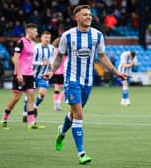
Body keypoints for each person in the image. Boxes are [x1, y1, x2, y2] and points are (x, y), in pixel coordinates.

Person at [43, 5, 128, 164]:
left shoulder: (97, 35)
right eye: (85, 15)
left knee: (74, 113)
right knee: (79, 114)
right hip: (71, 79)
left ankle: (62, 132)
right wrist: (51, 71)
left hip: (88, 81)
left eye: (90, 14)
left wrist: (116, 72)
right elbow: (59, 57)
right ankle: (82, 154)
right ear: (77, 18)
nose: (89, 17)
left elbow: (102, 57)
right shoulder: (67, 36)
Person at [0, 23, 39, 129]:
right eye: (35, 31)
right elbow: (15, 58)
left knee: (31, 97)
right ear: (29, 31)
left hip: (30, 74)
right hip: (21, 74)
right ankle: (4, 118)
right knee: (17, 97)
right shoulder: (21, 42)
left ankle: (31, 123)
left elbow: (28, 59)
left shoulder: (33, 43)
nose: (37, 33)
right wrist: (19, 74)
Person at [23, 31, 55, 122]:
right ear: (41, 38)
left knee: (42, 93)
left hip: (43, 76)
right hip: (32, 75)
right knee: (29, 96)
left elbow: (52, 60)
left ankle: (35, 106)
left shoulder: (52, 48)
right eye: (46, 37)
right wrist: (41, 63)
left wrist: (51, 69)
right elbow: (29, 61)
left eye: (49, 37)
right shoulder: (35, 48)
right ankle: (25, 114)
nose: (47, 39)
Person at [50, 37, 67, 111]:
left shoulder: (54, 50)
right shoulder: (64, 52)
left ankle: (55, 105)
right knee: (66, 89)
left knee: (56, 89)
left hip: (55, 72)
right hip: (63, 72)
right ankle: (58, 101)